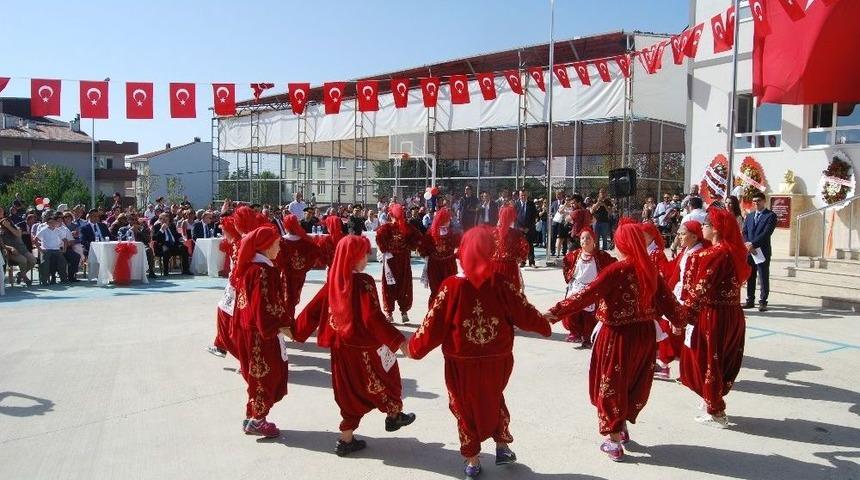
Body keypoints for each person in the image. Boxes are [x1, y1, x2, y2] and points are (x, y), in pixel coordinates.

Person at [405, 225, 552, 479]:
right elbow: (524, 311)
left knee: (464, 406)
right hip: (497, 357)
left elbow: (433, 324)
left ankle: (472, 459)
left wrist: (413, 348)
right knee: (493, 396)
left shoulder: (451, 287)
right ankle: (502, 445)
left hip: (461, 360)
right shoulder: (501, 283)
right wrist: (543, 325)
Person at [548, 223, 685, 462]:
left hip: (617, 336)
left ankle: (613, 440)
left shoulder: (617, 270)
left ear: (622, 244)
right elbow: (670, 303)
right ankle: (620, 426)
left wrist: (554, 313)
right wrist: (681, 320)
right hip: (644, 336)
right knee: (632, 382)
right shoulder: (649, 270)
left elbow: (585, 295)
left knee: (611, 382)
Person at [293, 235, 416, 456]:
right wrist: (398, 341)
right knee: (387, 377)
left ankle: (346, 439)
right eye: (364, 254)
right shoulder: (363, 282)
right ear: (353, 257)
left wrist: (295, 331)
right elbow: (373, 317)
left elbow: (312, 311)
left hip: (340, 349)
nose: (366, 258)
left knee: (348, 391)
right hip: (365, 347)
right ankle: (393, 414)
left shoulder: (333, 283)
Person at [679, 207, 751, 428]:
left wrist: (684, 316)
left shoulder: (714, 254)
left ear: (716, 229)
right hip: (732, 313)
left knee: (708, 360)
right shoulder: (733, 251)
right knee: (720, 360)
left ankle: (717, 411)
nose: (703, 228)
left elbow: (700, 289)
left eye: (705, 225)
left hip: (714, 314)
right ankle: (711, 398)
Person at [230, 225, 291, 438]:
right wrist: (282, 325)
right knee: (266, 375)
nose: (279, 248)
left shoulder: (250, 268)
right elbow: (263, 307)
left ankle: (252, 414)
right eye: (276, 244)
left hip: (249, 331)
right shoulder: (262, 271)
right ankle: (258, 420)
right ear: (266, 246)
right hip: (260, 334)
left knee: (256, 376)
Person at [654, 220, 709, 380]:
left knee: (686, 335)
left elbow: (693, 283)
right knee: (671, 330)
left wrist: (684, 305)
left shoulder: (699, 254)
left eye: (683, 234)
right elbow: (675, 270)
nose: (679, 236)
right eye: (678, 233)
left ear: (694, 236)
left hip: (689, 300)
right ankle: (669, 365)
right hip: (680, 295)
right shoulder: (686, 251)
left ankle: (682, 369)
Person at [560, 227, 616, 347]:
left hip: (592, 289)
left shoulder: (601, 255)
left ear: (594, 240)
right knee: (573, 312)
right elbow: (566, 264)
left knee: (589, 316)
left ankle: (588, 337)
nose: (585, 240)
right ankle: (575, 333)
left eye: (588, 238)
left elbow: (613, 265)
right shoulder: (574, 255)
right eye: (582, 238)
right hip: (576, 288)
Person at [375, 204, 422, 323]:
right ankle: (398, 312)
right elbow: (418, 238)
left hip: (396, 260)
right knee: (400, 284)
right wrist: (410, 246)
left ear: (390, 214)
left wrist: (386, 249)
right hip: (397, 260)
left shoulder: (391, 227)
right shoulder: (392, 227)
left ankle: (395, 312)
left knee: (394, 285)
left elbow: (379, 237)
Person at [277, 214, 322, 318]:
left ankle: (287, 318)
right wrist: (304, 268)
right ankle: (290, 317)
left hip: (286, 275)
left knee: (286, 297)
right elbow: (315, 253)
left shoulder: (282, 241)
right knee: (294, 297)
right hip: (300, 275)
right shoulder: (305, 241)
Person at [417, 207, 460, 307]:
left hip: (436, 264)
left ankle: (435, 311)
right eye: (448, 219)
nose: (449, 221)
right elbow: (459, 243)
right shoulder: (451, 233)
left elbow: (423, 249)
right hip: (447, 264)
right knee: (448, 289)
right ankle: (446, 310)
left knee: (436, 290)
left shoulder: (431, 232)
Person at [742, 191, 777, 312]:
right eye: (754, 201)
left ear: (764, 201)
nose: (756, 203)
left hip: (762, 250)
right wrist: (748, 244)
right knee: (750, 276)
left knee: (763, 276)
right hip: (750, 251)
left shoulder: (770, 215)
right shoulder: (750, 216)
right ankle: (750, 300)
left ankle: (763, 301)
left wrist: (753, 244)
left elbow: (767, 233)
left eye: (758, 201)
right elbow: (745, 232)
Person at [490, 205, 529, 291]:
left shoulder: (492, 232)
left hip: (494, 266)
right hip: (510, 267)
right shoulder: (516, 233)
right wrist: (520, 258)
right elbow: (525, 247)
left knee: (496, 292)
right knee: (511, 292)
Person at [0, 206, 36, 286]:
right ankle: (25, 278)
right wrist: (10, 248)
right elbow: (1, 244)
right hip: (9, 251)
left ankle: (20, 275)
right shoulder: (1, 229)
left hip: (21, 247)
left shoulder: (12, 224)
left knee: (33, 260)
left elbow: (18, 234)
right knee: (23, 260)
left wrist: (8, 226)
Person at [35, 214, 69, 285]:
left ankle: (64, 279)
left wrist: (64, 250)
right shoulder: (43, 230)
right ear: (47, 223)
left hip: (56, 249)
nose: (52, 224)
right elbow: (36, 239)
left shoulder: (58, 230)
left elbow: (65, 240)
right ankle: (44, 280)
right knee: (45, 263)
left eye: (53, 222)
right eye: (50, 222)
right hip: (47, 250)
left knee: (63, 261)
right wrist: (40, 249)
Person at [515, 190, 537, 267]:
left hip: (529, 229)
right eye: (522, 195)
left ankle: (532, 262)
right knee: (521, 246)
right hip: (519, 229)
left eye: (524, 195)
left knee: (530, 245)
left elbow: (534, 217)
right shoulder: (516, 204)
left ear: (527, 195)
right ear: (519, 196)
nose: (523, 197)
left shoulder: (531, 204)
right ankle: (522, 261)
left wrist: (528, 227)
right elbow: (514, 218)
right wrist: (519, 227)